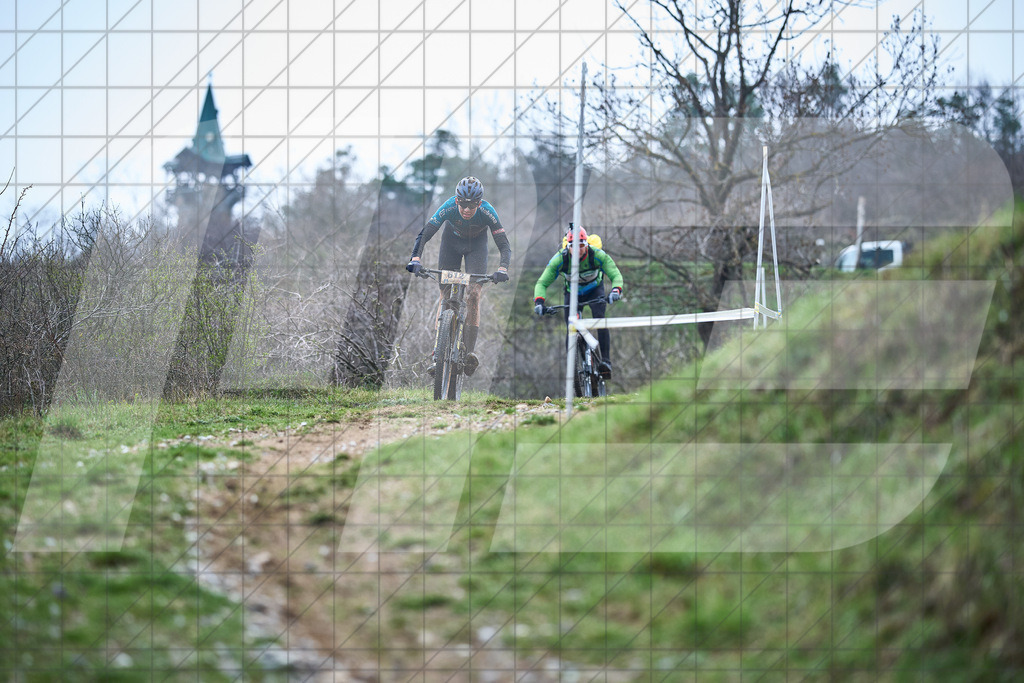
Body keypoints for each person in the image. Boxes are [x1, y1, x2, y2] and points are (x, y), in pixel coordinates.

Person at [406, 176, 511, 376]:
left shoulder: (488, 212)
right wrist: (415, 259)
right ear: (456, 200)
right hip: (450, 245)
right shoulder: (448, 207)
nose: (466, 209)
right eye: (462, 204)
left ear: (479, 203)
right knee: (445, 295)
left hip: (477, 248)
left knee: (473, 294)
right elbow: (425, 233)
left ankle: (469, 351)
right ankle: (438, 352)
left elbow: (504, 245)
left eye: (472, 205)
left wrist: (503, 268)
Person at [533, 225, 623, 379]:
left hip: (595, 291)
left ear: (586, 245)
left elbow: (615, 274)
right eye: (573, 246)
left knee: (600, 321)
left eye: (581, 245)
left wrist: (616, 290)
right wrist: (539, 302)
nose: (578, 250)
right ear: (567, 247)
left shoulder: (597, 255)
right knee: (571, 327)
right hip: (572, 294)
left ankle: (606, 362)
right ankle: (572, 367)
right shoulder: (560, 260)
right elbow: (542, 283)